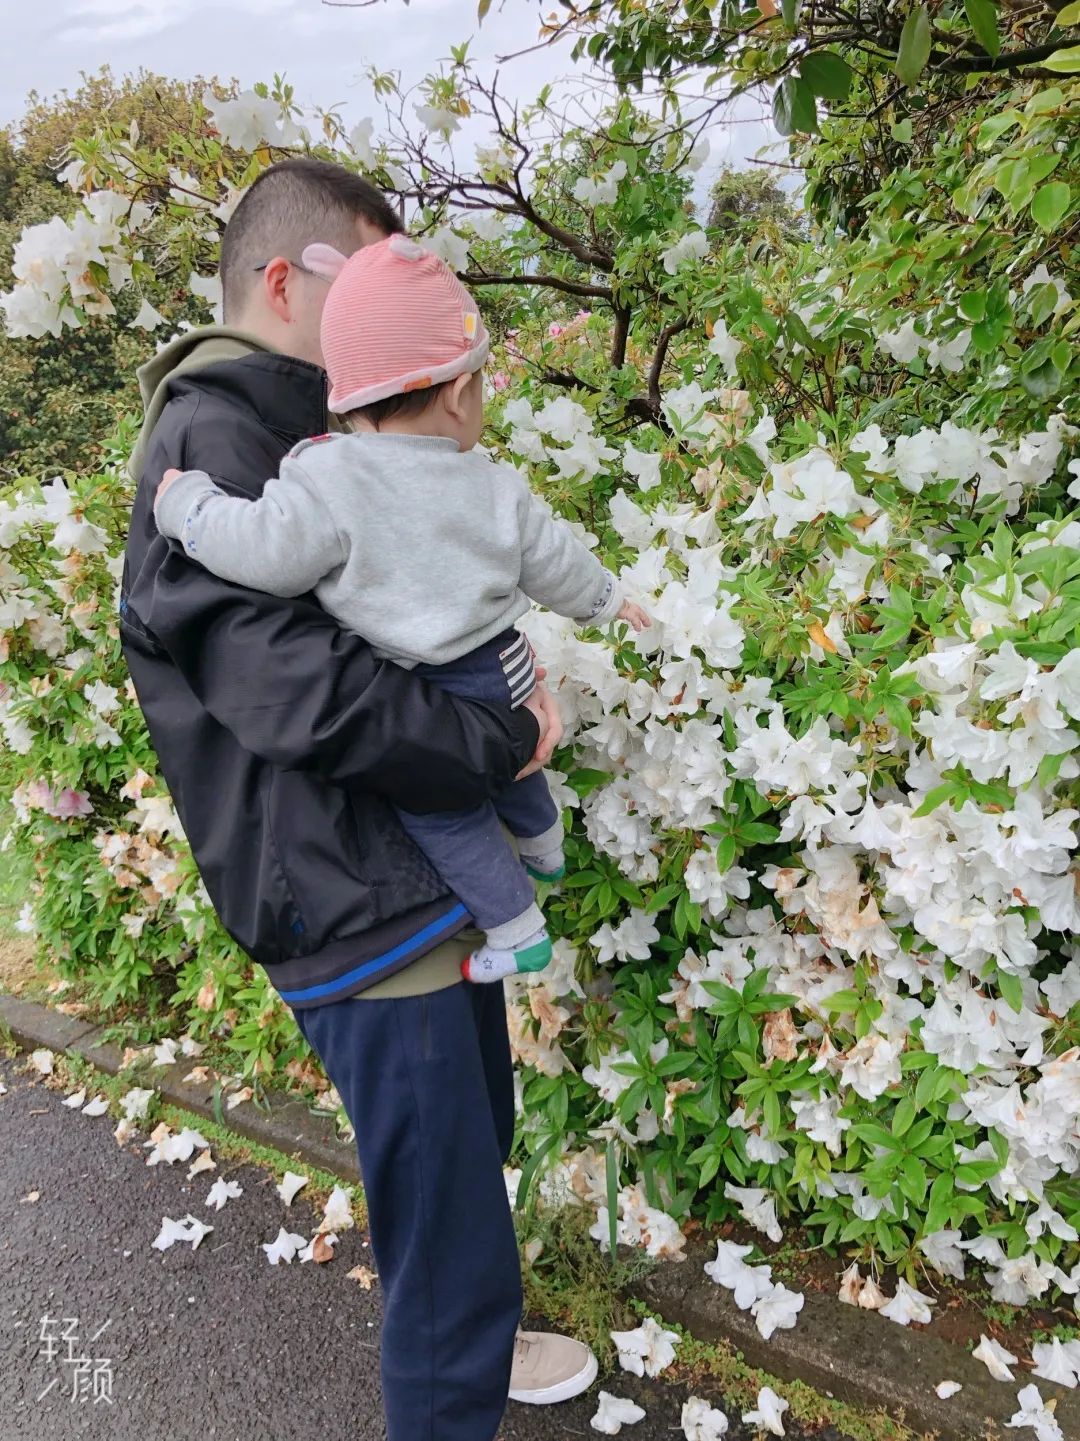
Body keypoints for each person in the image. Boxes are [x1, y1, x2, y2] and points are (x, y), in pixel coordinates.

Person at [120, 157, 599, 1441]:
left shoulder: (311, 418)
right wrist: (504, 740)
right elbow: (308, 698)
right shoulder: (215, 435)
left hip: (407, 872)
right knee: (440, 1189)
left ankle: (477, 1339)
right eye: (357, 274)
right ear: (285, 280)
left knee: (463, 1149)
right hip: (354, 895)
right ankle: (453, 1374)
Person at [152, 235, 650, 985]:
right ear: (457, 392)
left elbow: (263, 552)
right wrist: (610, 600)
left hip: (434, 682)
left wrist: (188, 507)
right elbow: (554, 561)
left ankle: (517, 930)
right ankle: (545, 845)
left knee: (442, 810)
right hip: (506, 665)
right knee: (520, 753)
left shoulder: (326, 477)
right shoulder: (489, 480)